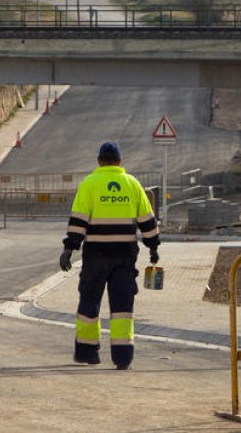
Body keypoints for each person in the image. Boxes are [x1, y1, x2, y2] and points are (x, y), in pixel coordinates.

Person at [58, 141, 160, 369]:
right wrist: (153, 248)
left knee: (89, 302)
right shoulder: (132, 184)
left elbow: (78, 221)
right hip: (124, 257)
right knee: (122, 308)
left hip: (95, 256)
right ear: (120, 161)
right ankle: (123, 358)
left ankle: (88, 353)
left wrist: (68, 249)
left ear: (99, 161)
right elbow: (147, 221)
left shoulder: (89, 184)